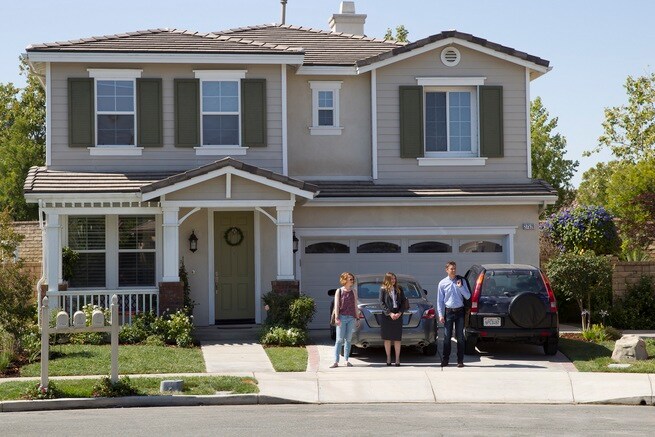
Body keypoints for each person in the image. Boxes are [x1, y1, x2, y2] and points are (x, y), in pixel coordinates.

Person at [437, 261, 471, 368]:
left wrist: (461, 287)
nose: (453, 270)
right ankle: (445, 360)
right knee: (447, 337)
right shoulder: (442, 283)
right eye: (451, 269)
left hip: (460, 311)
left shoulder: (461, 281)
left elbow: (468, 296)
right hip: (449, 312)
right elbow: (440, 300)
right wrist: (440, 315)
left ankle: (460, 360)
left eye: (455, 268)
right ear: (446, 270)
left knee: (460, 337)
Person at [330, 272, 360, 368]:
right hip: (342, 318)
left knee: (348, 340)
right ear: (345, 280)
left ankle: (346, 360)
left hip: (351, 318)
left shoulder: (354, 291)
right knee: (339, 340)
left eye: (352, 279)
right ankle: (336, 361)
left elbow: (355, 305)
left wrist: (357, 318)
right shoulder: (339, 291)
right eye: (350, 279)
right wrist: (337, 318)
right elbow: (337, 305)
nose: (352, 281)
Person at [379, 272, 408, 366]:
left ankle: (397, 359)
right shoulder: (383, 289)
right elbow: (381, 303)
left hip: (398, 315)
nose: (394, 280)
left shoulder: (399, 289)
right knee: (387, 338)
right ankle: (388, 358)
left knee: (397, 338)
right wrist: (390, 313)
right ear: (387, 279)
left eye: (394, 279)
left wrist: (399, 313)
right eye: (391, 279)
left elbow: (403, 301)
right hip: (387, 316)